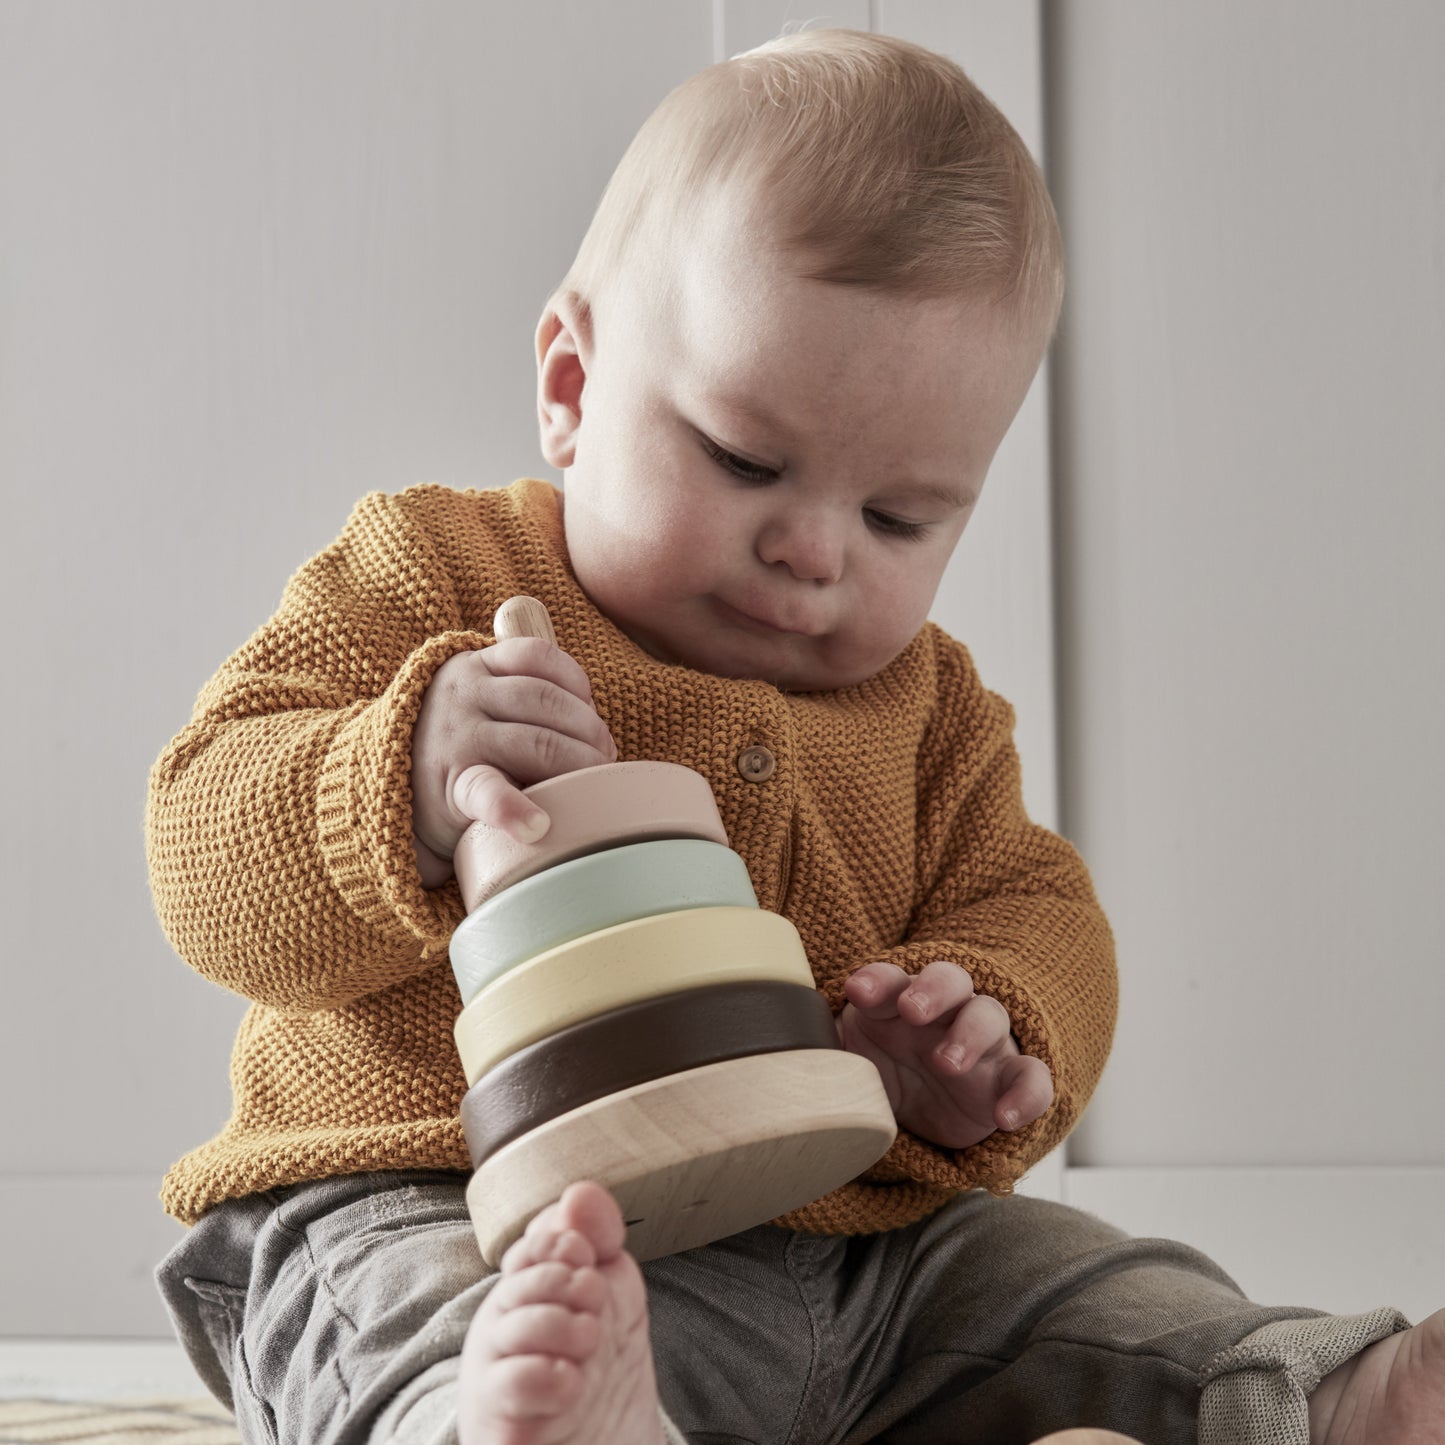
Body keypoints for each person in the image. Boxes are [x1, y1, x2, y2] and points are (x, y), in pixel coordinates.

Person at [148, 28, 1441, 1445]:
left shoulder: (930, 711)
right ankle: (533, 1422)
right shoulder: (426, 577)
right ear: (572, 386)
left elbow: (1039, 905)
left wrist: (984, 1024)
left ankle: (1318, 1397)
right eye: (745, 462)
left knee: (1069, 1278)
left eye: (900, 517)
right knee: (442, 1314)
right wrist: (395, 774)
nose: (812, 552)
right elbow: (202, 855)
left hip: (853, 1254)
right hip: (452, 1191)